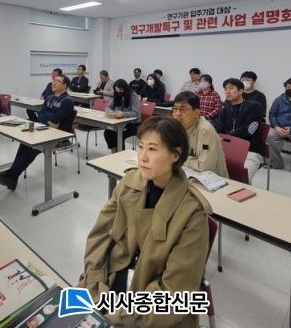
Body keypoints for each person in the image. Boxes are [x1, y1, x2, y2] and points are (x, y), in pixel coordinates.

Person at [78, 116, 212, 327]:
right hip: (113, 282)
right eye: (140, 147)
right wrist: (94, 283)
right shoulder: (128, 184)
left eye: (152, 149)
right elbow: (99, 237)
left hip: (152, 311)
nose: (143, 157)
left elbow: (173, 295)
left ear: (175, 155)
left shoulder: (192, 213)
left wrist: (119, 314)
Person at [0, 76, 75, 191]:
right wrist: (49, 119)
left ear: (65, 85)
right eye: (53, 81)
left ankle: (11, 175)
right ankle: (11, 175)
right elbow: (41, 114)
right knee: (25, 142)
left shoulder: (67, 101)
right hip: (45, 128)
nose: (53, 83)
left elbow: (55, 118)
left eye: (57, 81)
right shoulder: (50, 97)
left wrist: (49, 118)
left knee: (33, 147)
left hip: (58, 135)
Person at [213, 79, 264, 181]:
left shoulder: (254, 106)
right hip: (227, 149)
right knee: (211, 173)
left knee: (242, 179)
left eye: (231, 88)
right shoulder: (225, 109)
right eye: (225, 89)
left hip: (250, 150)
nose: (227, 91)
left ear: (241, 91)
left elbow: (249, 129)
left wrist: (227, 137)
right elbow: (219, 130)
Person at [172, 91, 228, 178]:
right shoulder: (176, 126)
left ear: (196, 113)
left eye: (182, 109)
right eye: (175, 109)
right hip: (187, 173)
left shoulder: (205, 130)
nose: (177, 113)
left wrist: (179, 158)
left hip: (211, 181)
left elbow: (204, 167)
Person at [104, 79, 141, 152]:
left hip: (133, 123)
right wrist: (111, 112)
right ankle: (114, 153)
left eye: (121, 91)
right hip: (120, 122)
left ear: (125, 88)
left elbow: (136, 113)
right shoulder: (117, 95)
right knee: (108, 132)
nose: (119, 93)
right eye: (117, 92)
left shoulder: (133, 96)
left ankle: (121, 154)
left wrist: (123, 114)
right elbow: (108, 107)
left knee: (119, 134)